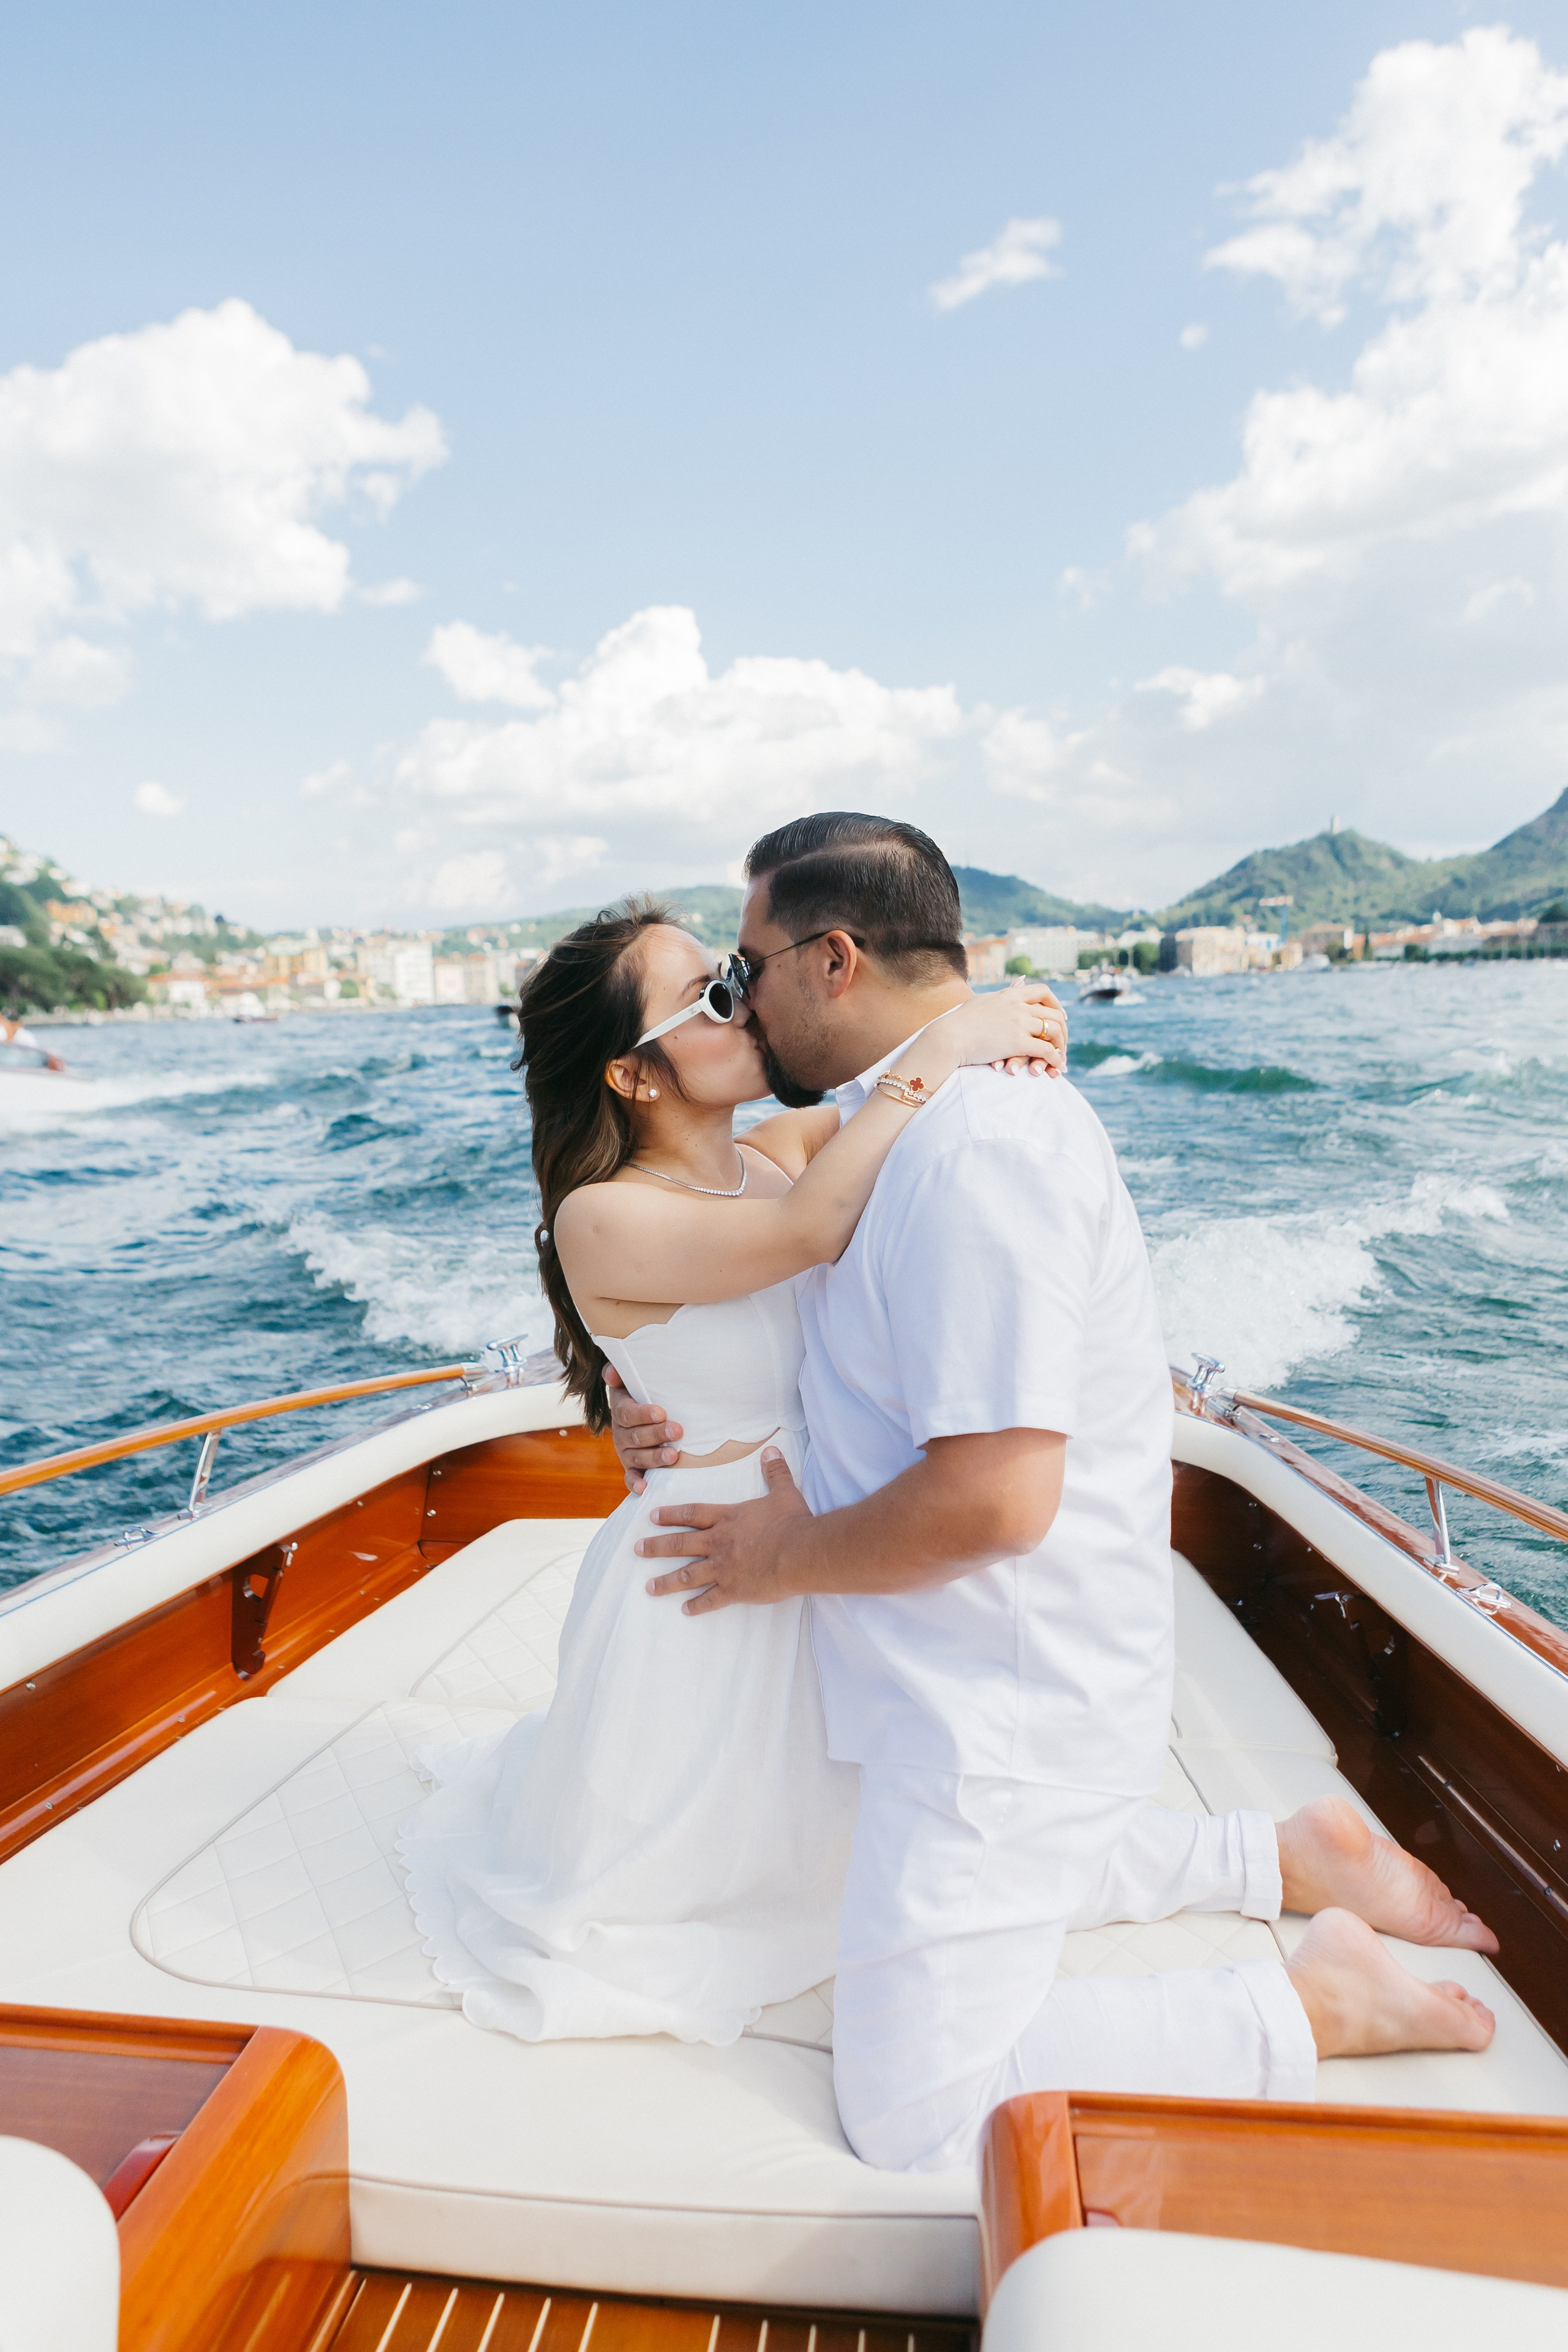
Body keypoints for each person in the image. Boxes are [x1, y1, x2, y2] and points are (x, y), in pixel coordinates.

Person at [618, 811, 1499, 2174]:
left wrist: (773, 1557)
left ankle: (1303, 2001)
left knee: (912, 2108)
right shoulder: (884, 1114)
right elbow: (760, 1254)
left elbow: (992, 1504)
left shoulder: (982, 1154)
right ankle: (1278, 1859)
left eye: (747, 969)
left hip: (994, 1702)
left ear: (834, 960)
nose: (741, 1001)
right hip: (937, 1669)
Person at [398, 895, 1066, 2044]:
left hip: (810, 1545)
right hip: (702, 1575)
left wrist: (989, 1023)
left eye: (730, 973)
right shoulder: (600, 1218)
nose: (741, 1000)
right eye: (707, 997)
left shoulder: (772, 1156)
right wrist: (952, 1040)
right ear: (633, 1076)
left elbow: (861, 1119)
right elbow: (813, 1231)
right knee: (697, 1884)